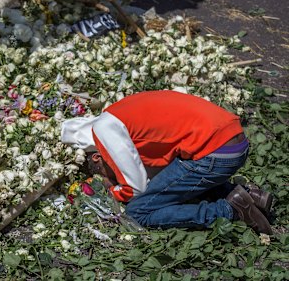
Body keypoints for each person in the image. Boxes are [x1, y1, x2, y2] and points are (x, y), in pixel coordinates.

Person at [61, 90, 273, 234]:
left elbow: (135, 188)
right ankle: (252, 196)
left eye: (99, 171)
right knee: (174, 182)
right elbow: (160, 171)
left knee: (139, 212)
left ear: (97, 157)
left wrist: (112, 189)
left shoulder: (104, 130)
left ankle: (232, 210)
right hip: (233, 141)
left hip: (214, 154)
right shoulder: (117, 114)